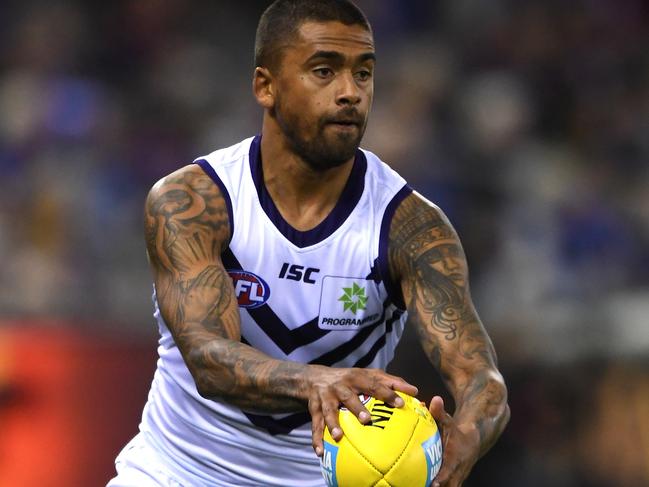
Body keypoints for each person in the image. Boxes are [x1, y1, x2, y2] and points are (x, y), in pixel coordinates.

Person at [108, 1, 509, 486]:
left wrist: (469, 432)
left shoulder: (411, 228)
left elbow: (482, 380)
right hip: (177, 471)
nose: (350, 93)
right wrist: (317, 381)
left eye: (364, 74)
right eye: (324, 70)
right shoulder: (192, 201)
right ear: (265, 86)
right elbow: (208, 360)